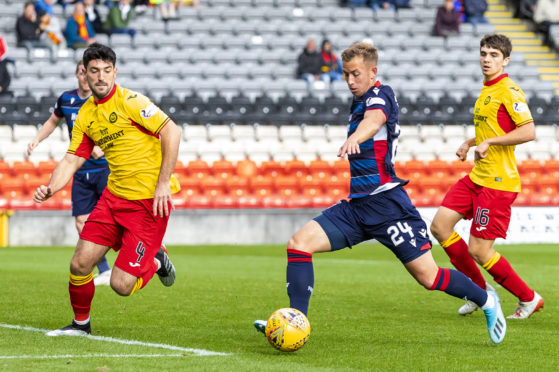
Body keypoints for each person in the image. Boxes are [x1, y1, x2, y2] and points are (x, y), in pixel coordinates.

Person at [254, 41, 507, 344]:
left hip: (388, 205)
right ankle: (295, 321)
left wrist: (355, 138)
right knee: (298, 244)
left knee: (429, 277)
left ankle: (487, 300)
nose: (350, 81)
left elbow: (374, 122)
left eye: (356, 74)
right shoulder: (359, 99)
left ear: (373, 72)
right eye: (346, 75)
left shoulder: (380, 94)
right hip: (358, 207)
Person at [33, 43, 181, 336]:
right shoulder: (87, 114)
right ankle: (80, 326)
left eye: (106, 70)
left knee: (121, 285)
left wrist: (164, 181)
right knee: (80, 264)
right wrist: (51, 188)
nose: (100, 77)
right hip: (113, 200)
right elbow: (72, 158)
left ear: (115, 71)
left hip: (148, 204)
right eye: (94, 71)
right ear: (84, 75)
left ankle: (155, 260)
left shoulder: (132, 102)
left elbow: (171, 131)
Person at [430, 34, 543, 319]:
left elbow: (528, 131)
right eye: (483, 53)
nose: (486, 59)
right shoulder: (486, 90)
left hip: (498, 183)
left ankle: (529, 298)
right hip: (477, 177)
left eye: (494, 54)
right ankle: (480, 293)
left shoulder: (510, 90)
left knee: (479, 250)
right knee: (440, 227)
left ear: (505, 60)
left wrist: (489, 143)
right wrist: (471, 142)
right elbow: (492, 129)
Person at [27, 60, 112, 286]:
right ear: (77, 74)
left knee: (115, 218)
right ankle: (104, 270)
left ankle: (137, 259)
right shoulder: (66, 99)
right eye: (83, 72)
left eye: (89, 72)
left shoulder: (101, 101)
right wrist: (36, 139)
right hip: (79, 169)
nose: (86, 77)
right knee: (81, 222)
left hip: (105, 169)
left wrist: (102, 147)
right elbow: (53, 121)